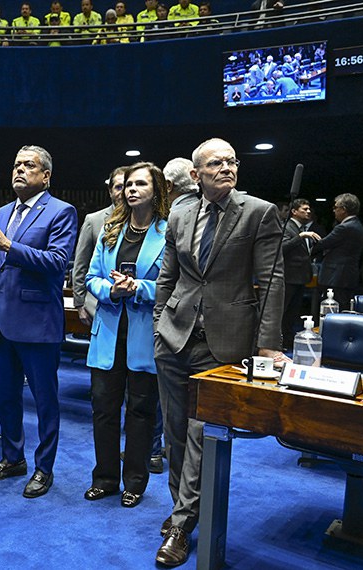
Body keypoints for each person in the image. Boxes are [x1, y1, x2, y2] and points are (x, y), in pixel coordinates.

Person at [153, 138, 285, 566]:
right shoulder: (180, 211)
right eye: (216, 163)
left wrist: (268, 345)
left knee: (199, 434)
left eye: (232, 161)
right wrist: (159, 321)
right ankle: (184, 509)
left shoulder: (259, 212)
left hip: (225, 339)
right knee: (174, 433)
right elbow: (168, 275)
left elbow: (272, 282)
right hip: (174, 335)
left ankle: (181, 523)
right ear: (196, 175)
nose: (227, 167)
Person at [0, 145, 78, 499]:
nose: (19, 170)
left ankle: (43, 468)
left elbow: (57, 262)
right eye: (16, 164)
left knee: (45, 400)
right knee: (6, 397)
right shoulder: (1, 213)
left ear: (45, 175)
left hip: (37, 323)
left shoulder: (61, 212)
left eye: (28, 165)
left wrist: (6, 245)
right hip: (2, 322)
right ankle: (12, 457)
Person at [84, 162, 169, 508]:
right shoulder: (110, 229)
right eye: (128, 184)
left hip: (143, 332)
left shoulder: (168, 232)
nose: (131, 189)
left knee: (140, 411)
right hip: (107, 329)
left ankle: (134, 481)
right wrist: (110, 291)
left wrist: (138, 288)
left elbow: (171, 284)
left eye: (140, 184)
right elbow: (91, 278)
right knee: (103, 409)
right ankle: (104, 478)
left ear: (156, 190)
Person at [73, 167, 126, 328]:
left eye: (128, 186)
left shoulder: (146, 221)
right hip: (96, 305)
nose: (123, 192)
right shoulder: (94, 220)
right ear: (110, 191)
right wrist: (80, 304)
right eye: (118, 187)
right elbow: (81, 265)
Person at [310, 193, 363, 312]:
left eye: (336, 207)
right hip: (345, 276)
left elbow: (322, 244)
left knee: (333, 311)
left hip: (337, 277)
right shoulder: (357, 225)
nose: (333, 210)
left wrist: (305, 238)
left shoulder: (344, 227)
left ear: (344, 209)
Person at [281, 199, 321, 348]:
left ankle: (288, 339)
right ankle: (280, 340)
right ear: (294, 211)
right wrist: (301, 237)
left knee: (293, 312)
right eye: (304, 209)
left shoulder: (300, 228)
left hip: (300, 277)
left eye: (309, 209)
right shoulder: (287, 227)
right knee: (284, 311)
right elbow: (282, 247)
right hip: (289, 276)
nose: (308, 211)